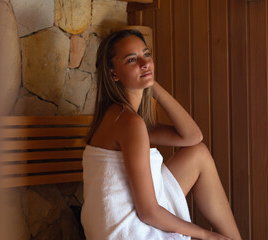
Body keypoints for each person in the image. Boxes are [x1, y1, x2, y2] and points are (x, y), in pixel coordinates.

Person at [81, 29, 242, 240]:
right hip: (128, 231)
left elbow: (193, 137)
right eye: (132, 59)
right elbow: (148, 212)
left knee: (198, 154)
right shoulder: (129, 123)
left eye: (146, 55)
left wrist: (151, 84)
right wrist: (206, 235)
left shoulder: (121, 118)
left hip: (127, 218)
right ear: (113, 74)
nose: (144, 63)